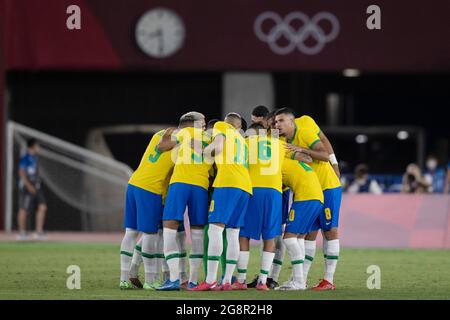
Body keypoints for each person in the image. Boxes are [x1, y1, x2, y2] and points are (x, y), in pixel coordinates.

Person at [275, 108, 342, 291]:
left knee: (329, 230)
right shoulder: (281, 141)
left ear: (290, 120)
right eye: (274, 123)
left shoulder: (304, 126)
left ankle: (328, 280)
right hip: (308, 190)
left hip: (327, 185)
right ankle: (301, 279)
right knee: (308, 235)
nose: (276, 125)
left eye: (280, 121)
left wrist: (334, 165)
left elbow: (323, 151)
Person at [191, 113, 252, 291]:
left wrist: (199, 149)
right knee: (233, 233)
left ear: (227, 123)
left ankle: (210, 280)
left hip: (227, 182)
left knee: (215, 228)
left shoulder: (221, 126)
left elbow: (217, 148)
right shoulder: (242, 141)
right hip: (245, 186)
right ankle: (226, 281)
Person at [156, 112, 212, 291]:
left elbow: (161, 147)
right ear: (194, 122)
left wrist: (168, 134)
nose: (204, 124)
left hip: (180, 183)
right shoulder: (211, 137)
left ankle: (173, 279)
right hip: (201, 186)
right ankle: (193, 281)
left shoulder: (184, 132)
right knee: (197, 234)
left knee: (169, 227)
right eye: (202, 121)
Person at [118, 127, 175, 289]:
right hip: (151, 188)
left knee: (131, 232)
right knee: (152, 234)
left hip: (134, 183)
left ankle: (123, 279)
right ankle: (151, 281)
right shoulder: (182, 142)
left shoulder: (160, 133)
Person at [234, 123, 284, 291]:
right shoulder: (280, 144)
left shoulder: (246, 143)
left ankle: (240, 279)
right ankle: (263, 281)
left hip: (253, 189)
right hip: (275, 192)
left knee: (244, 234)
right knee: (270, 236)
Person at [276, 158, 324, 290]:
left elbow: (275, 186)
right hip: (317, 197)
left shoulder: (276, 163)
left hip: (305, 197)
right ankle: (296, 279)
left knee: (289, 238)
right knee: (300, 238)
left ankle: (299, 281)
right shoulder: (293, 163)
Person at [17, 138, 47, 241]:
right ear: (33, 146)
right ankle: (21, 232)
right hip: (27, 187)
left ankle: (39, 232)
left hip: (36, 187)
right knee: (24, 209)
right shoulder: (25, 157)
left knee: (42, 207)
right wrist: (29, 186)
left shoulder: (36, 158)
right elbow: (21, 173)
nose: (39, 148)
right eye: (37, 146)